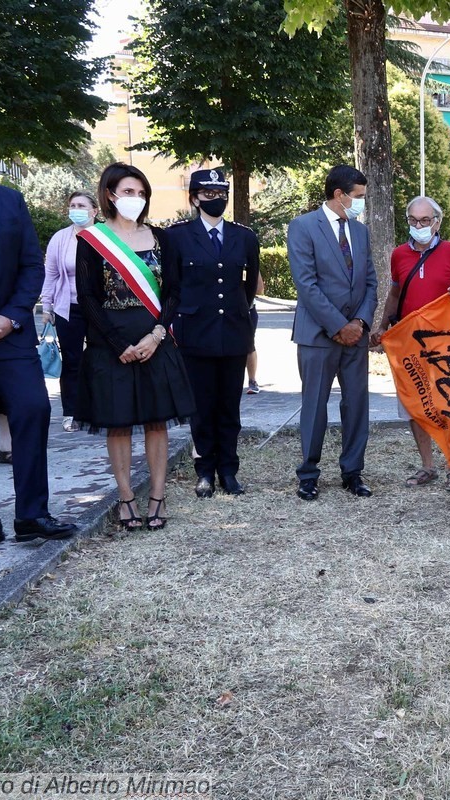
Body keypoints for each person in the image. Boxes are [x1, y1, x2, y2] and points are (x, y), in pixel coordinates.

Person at [0, 118, 78, 559]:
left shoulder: (9, 201)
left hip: (11, 337)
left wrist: (11, 318)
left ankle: (31, 515)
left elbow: (33, 266)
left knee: (32, 411)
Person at [74, 162, 196, 531]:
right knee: (119, 424)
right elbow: (87, 297)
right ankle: (126, 499)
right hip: (110, 344)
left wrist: (156, 334)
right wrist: (117, 343)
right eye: (128, 192)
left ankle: (157, 497)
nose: (136, 199)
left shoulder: (161, 238)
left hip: (155, 341)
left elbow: (174, 292)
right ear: (110, 195)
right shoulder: (92, 240)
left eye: (141, 193)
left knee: (157, 422)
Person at [166, 168, 259, 498]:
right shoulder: (176, 237)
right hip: (196, 334)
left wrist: (238, 315)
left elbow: (248, 287)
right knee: (202, 408)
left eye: (221, 195)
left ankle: (229, 471)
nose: (216, 200)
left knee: (229, 407)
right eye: (208, 195)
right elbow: (172, 286)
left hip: (233, 333)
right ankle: (204, 470)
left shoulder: (244, 237)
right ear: (194, 198)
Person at [287, 164, 378, 501]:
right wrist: (339, 326)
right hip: (317, 336)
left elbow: (371, 281)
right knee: (315, 405)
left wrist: (361, 323)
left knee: (357, 405)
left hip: (357, 335)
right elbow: (306, 284)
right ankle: (308, 473)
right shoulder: (303, 227)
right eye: (358, 197)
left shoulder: (361, 232)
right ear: (339, 195)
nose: (361, 204)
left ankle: (352, 471)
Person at [372, 195, 450, 492]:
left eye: (425, 221)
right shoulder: (399, 254)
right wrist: (383, 325)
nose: (419, 226)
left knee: (448, 401)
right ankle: (427, 465)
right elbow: (395, 294)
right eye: (413, 220)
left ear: (437, 222)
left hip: (445, 342)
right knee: (415, 403)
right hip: (408, 342)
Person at [41, 191, 98, 432]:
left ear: (95, 211)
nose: (76, 209)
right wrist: (47, 305)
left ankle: (100, 410)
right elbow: (51, 274)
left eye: (82, 205)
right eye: (73, 205)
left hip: (99, 308)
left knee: (100, 360)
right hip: (68, 307)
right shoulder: (60, 238)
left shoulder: (105, 236)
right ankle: (71, 413)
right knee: (72, 361)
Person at [245, 271, 265, 394]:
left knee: (249, 346)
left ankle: (252, 381)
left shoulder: (248, 260)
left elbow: (259, 289)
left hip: (247, 309)